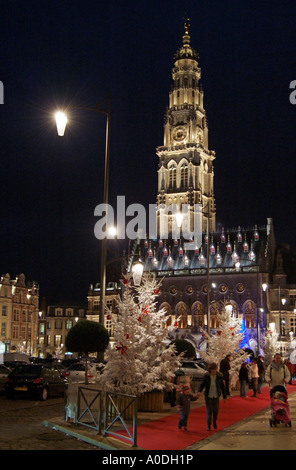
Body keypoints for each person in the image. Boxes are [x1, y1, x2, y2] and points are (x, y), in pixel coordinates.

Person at [197, 362, 227, 431]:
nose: (214, 371)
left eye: (215, 370)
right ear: (210, 370)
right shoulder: (207, 376)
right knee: (209, 410)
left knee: (216, 410)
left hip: (216, 395)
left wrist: (224, 396)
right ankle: (208, 425)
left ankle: (214, 421)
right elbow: (202, 384)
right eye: (212, 370)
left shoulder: (219, 376)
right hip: (208, 395)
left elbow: (222, 387)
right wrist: (199, 391)